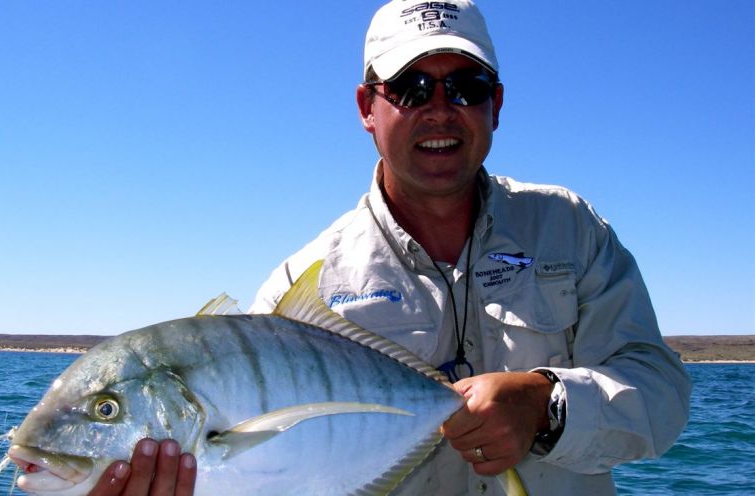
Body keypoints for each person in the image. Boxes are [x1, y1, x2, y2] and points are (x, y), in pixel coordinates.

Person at [92, 0, 691, 494]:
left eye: (466, 85)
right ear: (367, 108)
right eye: (410, 88)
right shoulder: (301, 284)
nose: (440, 110)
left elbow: (662, 396)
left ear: (496, 105)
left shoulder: (570, 229)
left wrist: (549, 405)